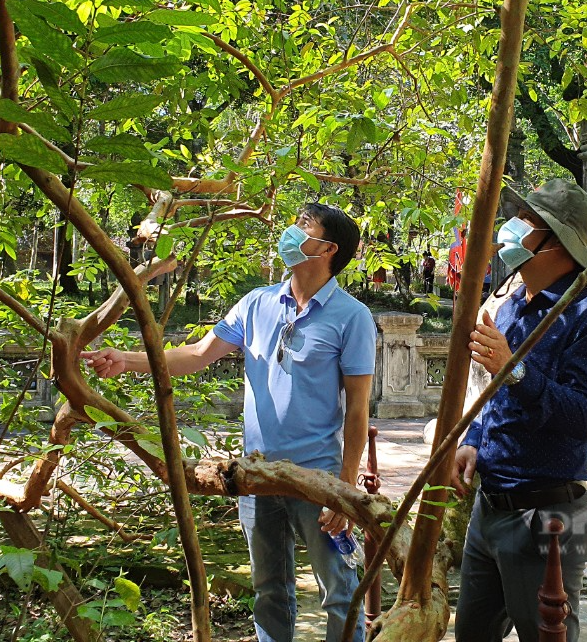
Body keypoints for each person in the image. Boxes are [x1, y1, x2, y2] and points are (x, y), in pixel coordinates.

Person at [82, 203, 375, 642]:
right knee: (269, 590)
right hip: (254, 475)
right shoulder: (256, 304)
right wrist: (126, 360)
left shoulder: (353, 318)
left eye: (303, 227)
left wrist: (345, 488)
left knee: (339, 591)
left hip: (319, 479)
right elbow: (198, 354)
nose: (290, 234)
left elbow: (357, 410)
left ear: (328, 248)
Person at [452, 179, 587, 642]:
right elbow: (494, 393)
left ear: (556, 243)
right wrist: (472, 443)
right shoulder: (510, 306)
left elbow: (586, 416)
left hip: (545, 519)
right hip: (488, 507)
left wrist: (515, 370)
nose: (512, 229)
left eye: (528, 222)